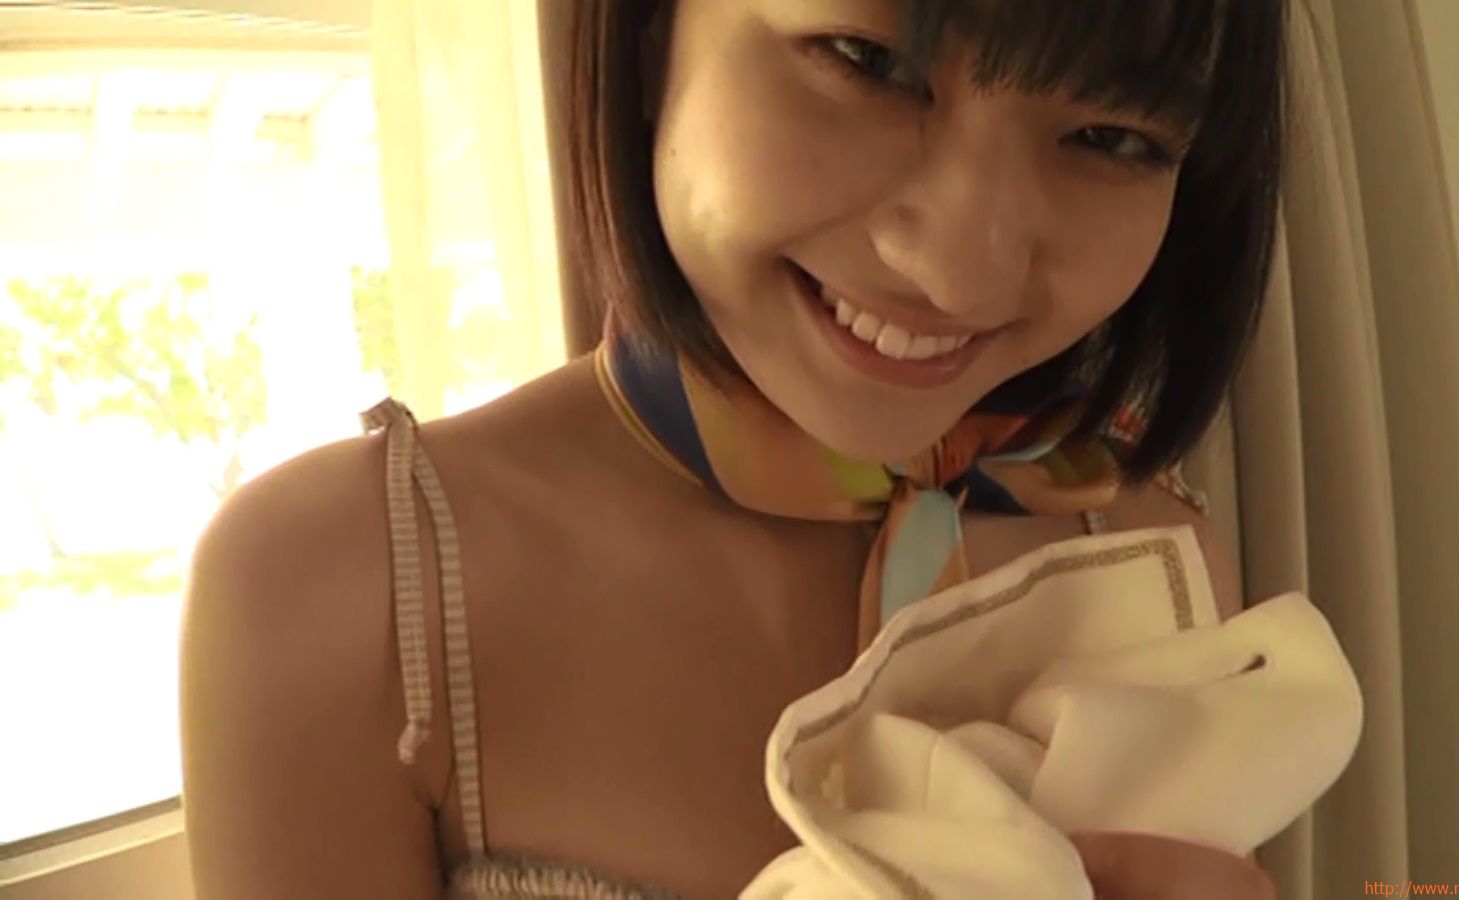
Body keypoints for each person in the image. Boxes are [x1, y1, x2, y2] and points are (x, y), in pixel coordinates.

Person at [179, 1, 1284, 897]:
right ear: (650, 33)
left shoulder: (1152, 561)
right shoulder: (350, 592)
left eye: (1112, 137)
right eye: (868, 61)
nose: (962, 269)